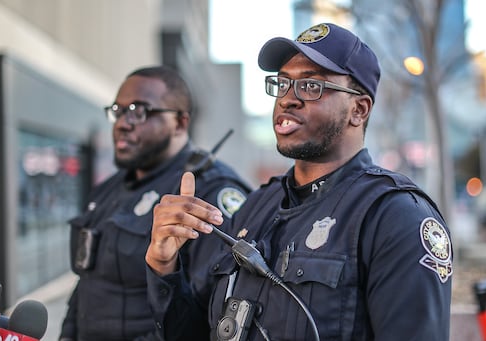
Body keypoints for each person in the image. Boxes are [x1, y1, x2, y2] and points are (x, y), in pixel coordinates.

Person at [145, 23, 453, 340]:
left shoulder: (395, 216)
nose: (287, 99)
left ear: (358, 110)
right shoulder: (256, 207)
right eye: (283, 84)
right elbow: (196, 332)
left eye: (310, 86)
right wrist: (163, 264)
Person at [59, 65, 251, 341]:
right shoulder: (108, 190)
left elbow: (208, 316)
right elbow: (87, 284)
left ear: (180, 123)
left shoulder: (209, 193)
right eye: (118, 111)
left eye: (140, 111)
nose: (123, 123)